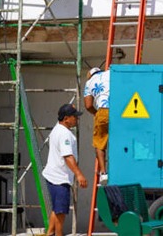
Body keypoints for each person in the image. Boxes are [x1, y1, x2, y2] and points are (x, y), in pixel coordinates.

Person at [42, 103, 87, 236]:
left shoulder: (57, 130)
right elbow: (67, 156)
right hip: (59, 178)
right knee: (61, 213)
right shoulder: (64, 134)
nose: (77, 119)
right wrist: (79, 175)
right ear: (66, 118)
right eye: (74, 117)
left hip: (54, 176)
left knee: (57, 210)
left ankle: (49, 233)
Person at [83, 67, 110, 184]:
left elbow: (88, 105)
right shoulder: (109, 73)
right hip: (120, 110)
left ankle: (103, 173)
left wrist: (96, 114)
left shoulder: (89, 82)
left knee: (99, 143)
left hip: (103, 110)